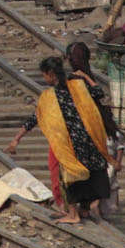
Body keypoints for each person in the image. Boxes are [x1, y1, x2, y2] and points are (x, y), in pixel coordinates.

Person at [8, 55, 115, 224]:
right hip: (88, 139)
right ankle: (85, 210)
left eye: (44, 75)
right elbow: (98, 92)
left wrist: (16, 139)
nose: (44, 79)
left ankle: (73, 214)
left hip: (70, 143)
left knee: (69, 177)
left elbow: (34, 118)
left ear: (51, 74)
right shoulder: (78, 86)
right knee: (90, 175)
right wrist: (85, 76)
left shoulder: (50, 96)